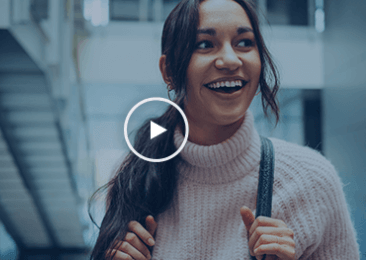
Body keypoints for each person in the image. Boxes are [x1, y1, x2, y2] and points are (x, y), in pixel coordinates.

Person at [89, 0, 360, 259]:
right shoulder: (135, 177)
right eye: (205, 44)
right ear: (169, 70)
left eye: (244, 43)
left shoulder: (311, 180)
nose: (230, 60)